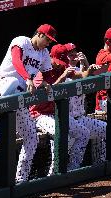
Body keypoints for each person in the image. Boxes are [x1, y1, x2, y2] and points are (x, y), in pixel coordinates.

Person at [0, 24, 56, 183]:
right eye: (47, 39)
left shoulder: (44, 53)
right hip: (0, 86)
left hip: (19, 97)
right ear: (39, 34)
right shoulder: (22, 41)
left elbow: (48, 75)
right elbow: (17, 61)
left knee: (32, 137)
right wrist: (28, 78)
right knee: (12, 81)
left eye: (51, 41)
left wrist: (44, 82)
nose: (49, 43)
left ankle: (21, 180)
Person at [30, 44, 103, 175]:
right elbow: (47, 95)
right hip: (39, 114)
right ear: (51, 57)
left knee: (83, 133)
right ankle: (54, 174)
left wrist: (88, 69)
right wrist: (62, 77)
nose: (59, 65)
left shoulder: (63, 67)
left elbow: (82, 76)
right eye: (57, 62)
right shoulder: (40, 69)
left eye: (62, 62)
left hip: (56, 113)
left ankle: (72, 169)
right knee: (63, 135)